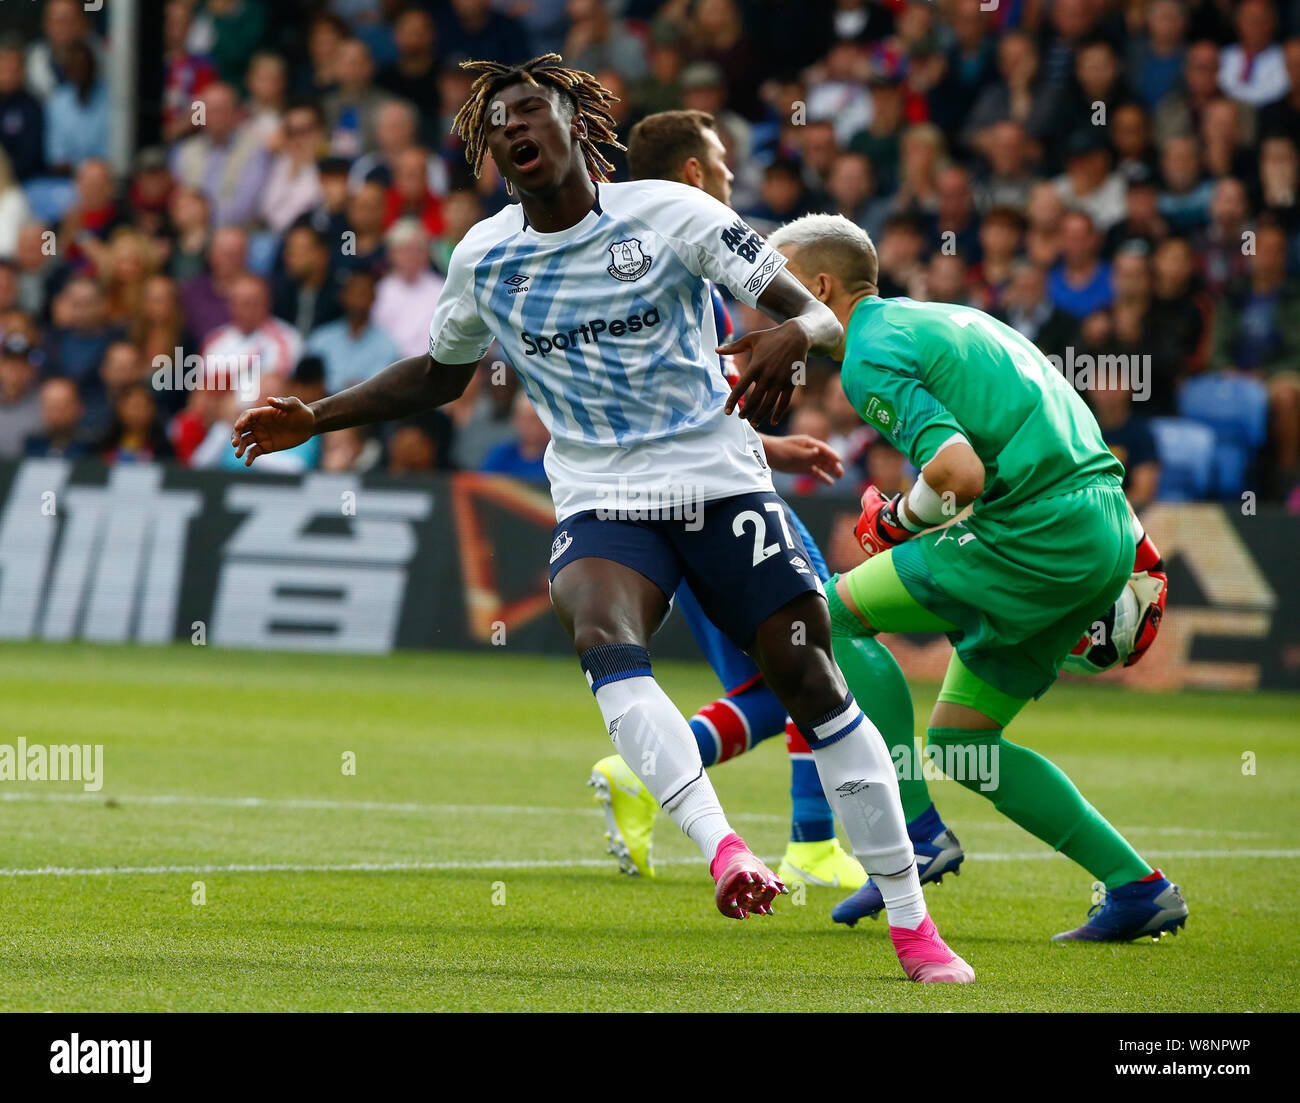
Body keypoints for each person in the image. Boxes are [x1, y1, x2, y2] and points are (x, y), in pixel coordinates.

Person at [231, 54, 973, 983]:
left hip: (717, 480)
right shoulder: (484, 257)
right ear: (488, 148)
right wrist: (316, 414)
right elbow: (439, 374)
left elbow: (813, 314)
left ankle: (914, 922)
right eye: (498, 123)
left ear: (575, 125)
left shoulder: (676, 216)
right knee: (600, 631)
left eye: (530, 112)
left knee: (805, 673)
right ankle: (723, 848)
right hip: (601, 495)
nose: (514, 129)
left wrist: (789, 335)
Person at [765, 212, 1185, 942]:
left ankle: (918, 831)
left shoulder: (869, 354)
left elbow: (959, 474)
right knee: (965, 741)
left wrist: (894, 518)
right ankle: (1138, 886)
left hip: (1035, 532)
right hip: (1102, 526)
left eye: (773, 284)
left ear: (820, 285)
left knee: (825, 617)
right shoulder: (942, 318)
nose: (761, 300)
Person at [586, 107, 909, 892]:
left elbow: (658, 417)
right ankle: (796, 835)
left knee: (781, 673)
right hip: (715, 500)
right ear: (694, 174)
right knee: (807, 657)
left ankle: (801, 834)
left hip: (668, 495)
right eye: (723, 163)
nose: (733, 176)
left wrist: (770, 445)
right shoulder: (687, 261)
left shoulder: (614, 261)